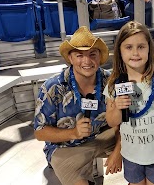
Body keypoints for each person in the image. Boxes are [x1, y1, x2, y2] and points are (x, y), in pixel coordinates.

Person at [34, 26, 122, 185]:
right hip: (66, 148)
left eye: (92, 54)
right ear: (70, 58)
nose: (87, 61)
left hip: (103, 137)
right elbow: (40, 133)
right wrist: (74, 132)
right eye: (79, 55)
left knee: (139, 152)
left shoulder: (110, 82)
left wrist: (118, 151)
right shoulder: (52, 87)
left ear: (99, 57)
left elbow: (124, 122)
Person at [103, 21, 154, 185]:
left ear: (149, 49)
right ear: (120, 51)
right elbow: (111, 121)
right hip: (131, 154)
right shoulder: (113, 85)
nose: (135, 53)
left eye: (141, 47)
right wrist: (117, 107)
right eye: (129, 47)